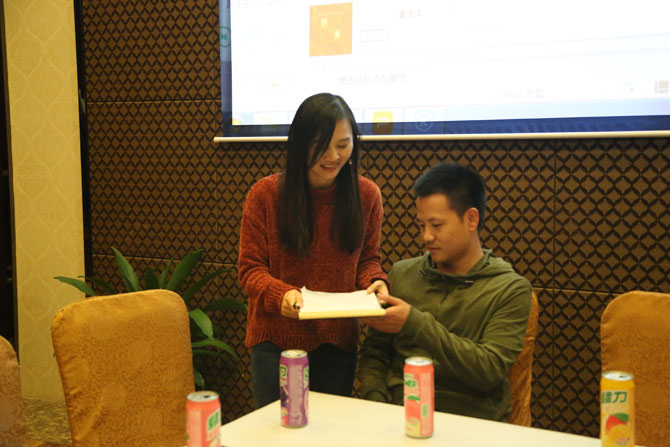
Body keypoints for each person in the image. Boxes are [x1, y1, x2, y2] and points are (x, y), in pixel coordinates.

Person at [238, 93, 389, 409]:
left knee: (331, 431)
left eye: (343, 145)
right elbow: (250, 270)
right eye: (320, 146)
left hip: (337, 343)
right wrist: (281, 294)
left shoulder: (367, 195)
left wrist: (375, 282)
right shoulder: (265, 195)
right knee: (276, 431)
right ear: (298, 143)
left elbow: (367, 260)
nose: (332, 156)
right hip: (275, 343)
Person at [357, 162, 531, 421]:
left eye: (437, 225)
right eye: (421, 225)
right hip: (399, 417)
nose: (427, 236)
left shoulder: (509, 289)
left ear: (471, 219)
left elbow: (488, 371)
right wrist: (376, 403)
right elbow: (374, 353)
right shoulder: (403, 274)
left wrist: (414, 322)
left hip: (472, 423)